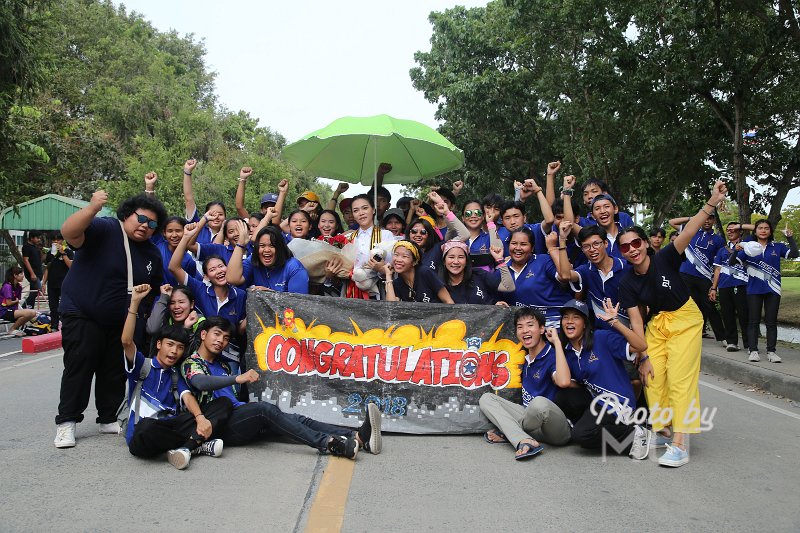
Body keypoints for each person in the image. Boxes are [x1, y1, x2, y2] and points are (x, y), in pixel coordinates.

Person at [617, 180, 729, 467]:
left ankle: (680, 443)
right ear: (622, 253)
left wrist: (713, 201)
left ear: (644, 243)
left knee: (681, 379)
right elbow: (637, 322)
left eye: (636, 243)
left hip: (686, 319)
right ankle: (665, 430)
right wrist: (642, 355)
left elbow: (690, 228)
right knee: (652, 377)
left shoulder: (665, 257)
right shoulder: (627, 282)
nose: (632, 249)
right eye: (625, 247)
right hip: (658, 325)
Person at [181, 317, 383, 459]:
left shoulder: (223, 365)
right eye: (217, 335)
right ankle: (329, 443)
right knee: (264, 409)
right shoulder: (191, 363)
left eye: (225, 338)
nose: (221, 341)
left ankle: (357, 436)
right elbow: (200, 382)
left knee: (296, 418)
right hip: (220, 426)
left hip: (240, 415)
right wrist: (238, 378)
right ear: (203, 334)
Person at [55, 190, 165, 448]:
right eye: (141, 219)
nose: (145, 227)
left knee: (114, 369)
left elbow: (155, 287)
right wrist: (92, 208)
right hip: (83, 312)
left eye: (151, 224)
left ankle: (108, 416)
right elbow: (69, 233)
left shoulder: (151, 253)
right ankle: (66, 422)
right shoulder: (104, 229)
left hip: (122, 320)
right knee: (80, 365)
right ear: (127, 215)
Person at [123, 284, 232, 470]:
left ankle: (187, 448)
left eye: (180, 348)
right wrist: (134, 304)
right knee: (147, 428)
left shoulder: (175, 374)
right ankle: (195, 444)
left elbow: (187, 397)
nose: (174, 351)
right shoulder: (143, 366)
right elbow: (126, 341)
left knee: (222, 404)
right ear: (159, 344)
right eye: (170, 345)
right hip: (144, 434)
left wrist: (200, 418)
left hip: (171, 426)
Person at [556, 299, 652, 460]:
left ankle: (635, 433)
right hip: (596, 401)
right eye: (566, 317)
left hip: (617, 402)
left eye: (576, 317)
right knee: (563, 396)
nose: (570, 321)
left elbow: (640, 346)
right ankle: (591, 426)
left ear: (585, 324)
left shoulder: (601, 338)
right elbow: (570, 382)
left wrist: (616, 323)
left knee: (582, 435)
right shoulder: (569, 353)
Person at [479, 308, 573, 460]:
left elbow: (563, 382)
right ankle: (523, 439)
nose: (525, 330)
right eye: (520, 327)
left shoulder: (551, 355)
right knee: (486, 399)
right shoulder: (523, 357)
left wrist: (556, 342)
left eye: (530, 325)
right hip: (530, 421)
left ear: (542, 329)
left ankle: (510, 432)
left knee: (539, 403)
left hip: (555, 429)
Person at [730, 219, 799, 363]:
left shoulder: (777, 246)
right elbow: (731, 263)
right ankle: (753, 350)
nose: (763, 230)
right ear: (755, 231)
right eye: (760, 228)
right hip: (754, 290)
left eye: (766, 228)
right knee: (753, 321)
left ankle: (771, 352)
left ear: (770, 231)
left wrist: (789, 237)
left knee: (771, 322)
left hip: (773, 289)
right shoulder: (749, 247)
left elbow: (794, 254)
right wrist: (735, 251)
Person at [669, 209, 726, 341]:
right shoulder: (691, 230)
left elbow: (720, 261)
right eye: (704, 218)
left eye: (710, 218)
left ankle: (723, 337)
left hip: (705, 277)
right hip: (685, 274)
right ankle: (687, 335)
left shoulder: (718, 239)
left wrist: (714, 285)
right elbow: (672, 222)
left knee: (709, 306)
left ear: (714, 220)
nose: (707, 220)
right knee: (686, 305)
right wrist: (694, 218)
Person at [499, 227, 571, 328]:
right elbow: (496, 297)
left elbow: (565, 276)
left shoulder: (544, 261)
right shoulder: (502, 269)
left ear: (532, 248)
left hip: (555, 324)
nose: (518, 248)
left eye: (523, 244)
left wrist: (552, 248)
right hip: (526, 329)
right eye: (514, 243)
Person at [227, 224, 310, 294]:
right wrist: (240, 245)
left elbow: (298, 305)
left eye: (272, 246)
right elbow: (232, 279)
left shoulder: (294, 267)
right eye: (262, 246)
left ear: (280, 248)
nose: (266, 250)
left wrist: (270, 295)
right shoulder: (253, 260)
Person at [710, 222, 753, 352]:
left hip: (741, 285)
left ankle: (749, 343)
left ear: (739, 231)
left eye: (733, 230)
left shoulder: (748, 245)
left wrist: (739, 226)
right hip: (724, 286)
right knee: (727, 315)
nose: (730, 231)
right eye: (728, 230)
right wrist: (713, 288)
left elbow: (755, 228)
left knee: (744, 315)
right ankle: (732, 342)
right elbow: (717, 269)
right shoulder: (722, 250)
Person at [343, 194, 396, 299]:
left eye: (365, 208)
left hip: (377, 289)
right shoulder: (348, 238)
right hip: (350, 290)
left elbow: (393, 268)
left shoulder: (385, 235)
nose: (361, 213)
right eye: (356, 210)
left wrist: (381, 269)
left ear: (373, 210)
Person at [427, 240, 514, 305]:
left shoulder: (478, 274)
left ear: (466, 261)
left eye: (461, 257)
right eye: (451, 257)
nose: (456, 261)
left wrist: (499, 260)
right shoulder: (437, 283)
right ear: (444, 261)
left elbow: (509, 287)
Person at [383, 240, 452, 303]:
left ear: (414, 262)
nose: (398, 259)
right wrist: (388, 276)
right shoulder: (397, 283)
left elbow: (448, 301)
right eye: (396, 255)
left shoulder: (425, 273)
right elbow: (391, 308)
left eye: (404, 256)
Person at [146, 284, 205, 355]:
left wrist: (187, 329)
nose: (176, 307)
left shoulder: (201, 323)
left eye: (181, 302)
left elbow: (193, 355)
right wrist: (163, 298)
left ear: (191, 304)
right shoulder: (164, 317)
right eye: (172, 303)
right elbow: (152, 329)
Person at [181, 159, 227, 245]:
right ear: (206, 215)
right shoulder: (197, 226)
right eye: (212, 214)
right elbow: (188, 199)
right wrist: (187, 172)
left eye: (220, 214)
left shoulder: (230, 234)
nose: (216, 217)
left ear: (225, 217)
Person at [41, 232, 74, 331]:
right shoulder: (50, 253)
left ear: (63, 241)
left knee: (65, 306)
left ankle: (67, 326)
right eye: (53, 240)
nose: (55, 242)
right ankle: (54, 326)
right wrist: (43, 283)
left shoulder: (68, 252)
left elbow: (71, 266)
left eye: (58, 240)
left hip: (64, 283)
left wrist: (63, 253)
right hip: (52, 284)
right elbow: (47, 268)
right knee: (53, 306)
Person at [460, 200, 502, 272]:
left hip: (485, 281)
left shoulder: (490, 237)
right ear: (463, 218)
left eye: (477, 213)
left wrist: (490, 223)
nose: (473, 216)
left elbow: (499, 249)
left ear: (483, 217)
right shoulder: (456, 239)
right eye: (468, 213)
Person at [1, 266, 37, 336]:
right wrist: (17, 301)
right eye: (21, 274)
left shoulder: (19, 287)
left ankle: (16, 329)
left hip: (13, 310)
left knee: (32, 314)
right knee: (31, 313)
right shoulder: (7, 287)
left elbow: (17, 302)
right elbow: (8, 303)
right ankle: (12, 330)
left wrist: (20, 307)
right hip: (4, 311)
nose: (23, 276)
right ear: (15, 275)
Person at [21, 230, 44, 308]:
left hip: (38, 273)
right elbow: (25, 260)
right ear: (31, 238)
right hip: (33, 274)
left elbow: (39, 261)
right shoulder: (27, 247)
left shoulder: (35, 248)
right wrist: (32, 273)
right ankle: (25, 308)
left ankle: (29, 308)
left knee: (34, 293)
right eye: (37, 238)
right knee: (37, 291)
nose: (39, 240)